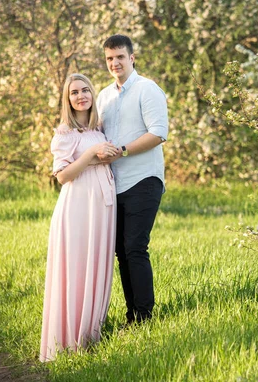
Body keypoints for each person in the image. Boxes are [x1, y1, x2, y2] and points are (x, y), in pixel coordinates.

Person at [39, 73, 120, 362]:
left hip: (103, 207)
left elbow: (103, 157)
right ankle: (68, 340)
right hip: (78, 207)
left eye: (86, 90)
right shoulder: (65, 133)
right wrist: (92, 155)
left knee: (97, 266)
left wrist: (105, 153)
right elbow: (62, 176)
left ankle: (90, 335)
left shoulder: (99, 127)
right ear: (68, 99)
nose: (81, 95)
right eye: (74, 92)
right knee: (76, 268)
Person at [96, 34, 168, 326]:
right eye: (110, 59)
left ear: (132, 58)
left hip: (144, 180)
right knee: (121, 252)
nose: (115, 63)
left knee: (135, 247)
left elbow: (158, 133)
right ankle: (133, 315)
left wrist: (122, 152)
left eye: (120, 57)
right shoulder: (103, 96)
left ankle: (144, 317)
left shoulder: (147, 89)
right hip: (114, 185)